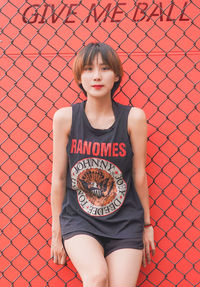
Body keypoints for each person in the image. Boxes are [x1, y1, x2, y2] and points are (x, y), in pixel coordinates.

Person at [50, 42, 155, 287]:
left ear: (116, 75)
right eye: (88, 69)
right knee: (97, 277)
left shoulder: (133, 118)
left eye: (105, 68)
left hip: (125, 221)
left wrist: (147, 224)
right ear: (79, 76)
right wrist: (57, 230)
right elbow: (59, 178)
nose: (96, 76)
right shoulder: (65, 118)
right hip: (79, 220)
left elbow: (140, 175)